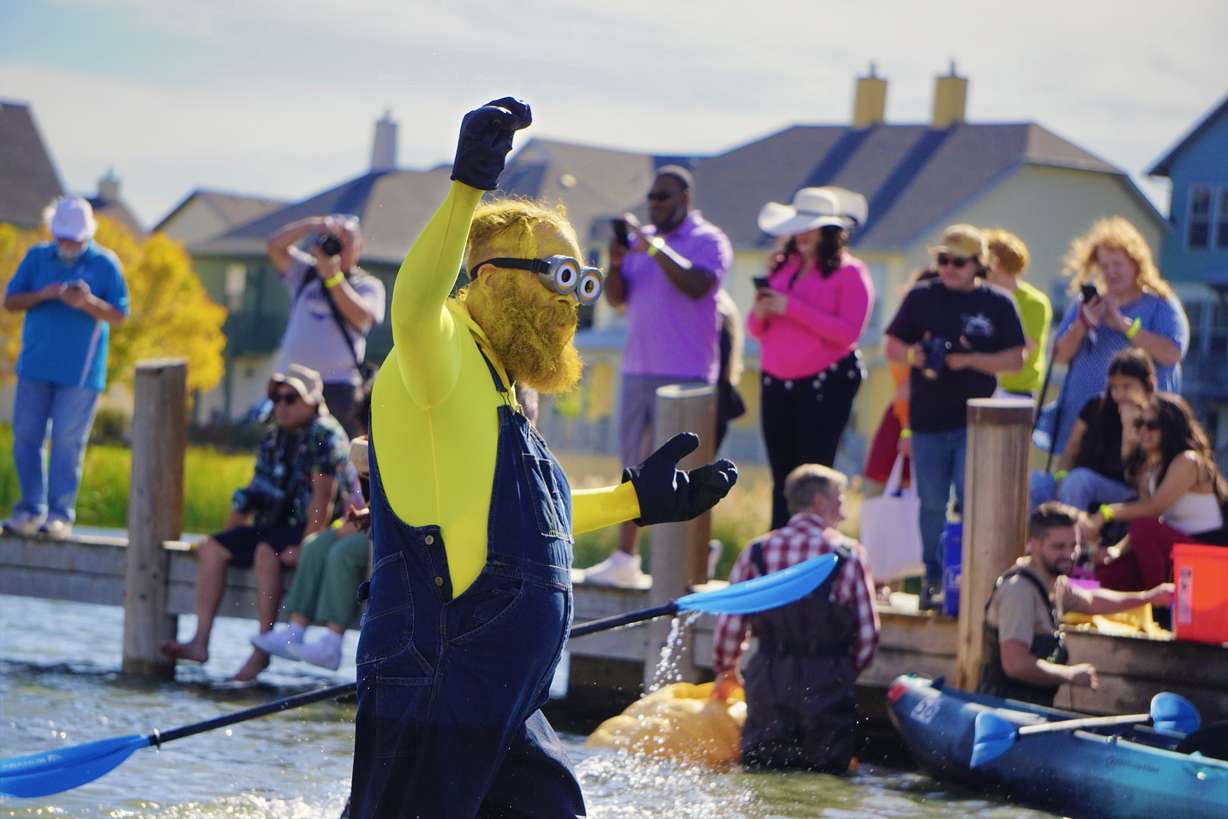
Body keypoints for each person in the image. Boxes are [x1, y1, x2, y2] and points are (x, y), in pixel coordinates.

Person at [349, 98, 737, 817]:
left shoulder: (503, 388)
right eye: (558, 279)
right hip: (436, 671)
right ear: (490, 277)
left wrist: (636, 502)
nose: (572, 306)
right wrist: (467, 186)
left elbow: (517, 525)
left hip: (507, 693)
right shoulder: (437, 355)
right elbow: (412, 300)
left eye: (583, 285)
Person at [160, 364, 350, 681]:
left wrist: (308, 545)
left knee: (265, 552)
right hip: (271, 523)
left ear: (313, 401)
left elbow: (323, 498)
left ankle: (261, 649)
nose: (282, 406)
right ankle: (199, 642)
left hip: (306, 527)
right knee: (211, 548)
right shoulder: (275, 436)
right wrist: (228, 535)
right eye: (277, 398)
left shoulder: (324, 435)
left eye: (291, 398)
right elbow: (253, 492)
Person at [591, 164, 733, 586]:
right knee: (632, 466)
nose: (654, 204)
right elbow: (617, 299)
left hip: (687, 376)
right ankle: (625, 559)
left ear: (685, 199)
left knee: (686, 472)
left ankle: (690, 560)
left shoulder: (709, 241)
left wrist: (651, 248)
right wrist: (617, 264)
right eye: (651, 197)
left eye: (663, 197)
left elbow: (697, 285)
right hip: (637, 370)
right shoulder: (642, 246)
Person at [884, 225, 1026, 609]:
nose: (948, 268)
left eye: (958, 262)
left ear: (978, 265)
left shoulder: (998, 303)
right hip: (928, 421)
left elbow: (1016, 359)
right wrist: (922, 356)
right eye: (942, 259)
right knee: (931, 503)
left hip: (975, 423)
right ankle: (932, 578)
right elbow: (892, 346)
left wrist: (968, 360)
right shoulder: (920, 297)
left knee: (970, 501)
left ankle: (972, 578)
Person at [710, 464, 879, 773]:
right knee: (826, 775)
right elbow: (868, 636)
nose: (842, 513)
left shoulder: (757, 551)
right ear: (819, 501)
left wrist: (726, 668)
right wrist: (840, 671)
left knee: (763, 771)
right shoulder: (849, 554)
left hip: (770, 677)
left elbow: (730, 621)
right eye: (839, 501)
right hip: (828, 678)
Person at [2, 197, 129, 540]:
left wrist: (86, 302)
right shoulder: (36, 257)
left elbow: (119, 315)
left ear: (88, 234)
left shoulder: (105, 264)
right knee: (26, 437)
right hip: (34, 365)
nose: (69, 244)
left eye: (75, 237)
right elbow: (10, 301)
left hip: (81, 373)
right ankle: (29, 509)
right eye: (64, 237)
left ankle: (59, 515)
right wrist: (44, 294)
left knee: (66, 443)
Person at [750, 187, 875, 529]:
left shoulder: (850, 273)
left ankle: (813, 551)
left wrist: (791, 308)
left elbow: (848, 331)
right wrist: (764, 310)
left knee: (813, 476)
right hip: (776, 383)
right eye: (799, 225)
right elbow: (755, 328)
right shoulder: (781, 268)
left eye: (812, 226)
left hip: (824, 385)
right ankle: (780, 548)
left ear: (829, 231)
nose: (802, 234)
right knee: (783, 478)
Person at [979, 502, 1173, 706]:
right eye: (1059, 547)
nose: (1070, 555)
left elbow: (1093, 601)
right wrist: (1069, 675)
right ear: (1034, 545)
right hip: (1000, 715)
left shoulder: (1055, 583)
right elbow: (1015, 664)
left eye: (1074, 545)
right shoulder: (1019, 592)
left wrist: (1148, 597)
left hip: (1029, 708)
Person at [1039, 217, 1188, 456]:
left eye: (1117, 264)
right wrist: (1082, 325)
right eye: (1104, 266)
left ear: (1136, 263)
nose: (1110, 272)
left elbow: (1172, 353)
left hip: (1139, 427)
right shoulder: (1085, 305)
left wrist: (1124, 326)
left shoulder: (1161, 304)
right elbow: (1058, 356)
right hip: (1081, 425)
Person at [251, 394, 372, 671]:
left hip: (377, 532)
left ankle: (331, 640)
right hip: (357, 525)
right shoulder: (363, 448)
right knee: (315, 545)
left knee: (341, 554)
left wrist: (362, 519)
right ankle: (295, 631)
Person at [1087, 393, 1228, 591]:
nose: (1144, 430)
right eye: (1140, 423)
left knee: (1144, 527)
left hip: (1207, 553)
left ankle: (1160, 605)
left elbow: (1153, 511)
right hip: (1177, 549)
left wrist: (1106, 513)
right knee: (1110, 571)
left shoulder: (1188, 461)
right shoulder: (1152, 466)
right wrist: (1116, 550)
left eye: (1152, 425)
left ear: (1170, 428)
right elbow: (1146, 517)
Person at [267, 213, 386, 436]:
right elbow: (274, 247)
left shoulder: (368, 285)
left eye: (345, 242)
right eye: (334, 240)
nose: (338, 248)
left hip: (338, 388)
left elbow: (362, 317)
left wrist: (332, 278)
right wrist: (311, 225)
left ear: (359, 248)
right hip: (293, 387)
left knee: (337, 460)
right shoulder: (307, 273)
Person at [1030, 348, 1155, 512]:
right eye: (1115, 387)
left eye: (1127, 386)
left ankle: (1071, 535)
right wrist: (1061, 477)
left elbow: (1134, 474)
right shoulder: (1096, 405)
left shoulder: (1153, 419)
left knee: (1080, 481)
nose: (1120, 394)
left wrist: (1129, 428)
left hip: (1124, 491)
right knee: (1032, 483)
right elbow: (1071, 448)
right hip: (1077, 481)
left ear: (1145, 386)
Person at [983, 228, 1051, 399]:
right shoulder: (985, 298)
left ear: (995, 264)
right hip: (985, 387)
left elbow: (1021, 351)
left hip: (1017, 394)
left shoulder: (1035, 302)